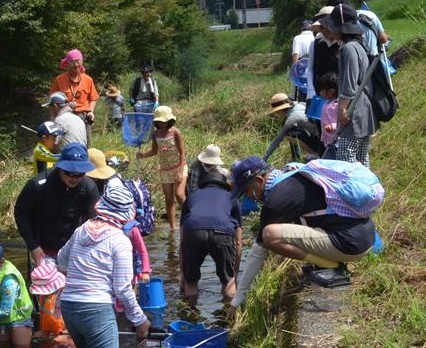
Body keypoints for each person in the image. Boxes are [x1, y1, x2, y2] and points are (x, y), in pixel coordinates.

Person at [229, 156, 377, 306]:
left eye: (247, 191)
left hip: (350, 244)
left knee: (270, 235)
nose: (249, 198)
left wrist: (238, 299)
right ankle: (328, 262)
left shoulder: (276, 199)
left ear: (260, 181)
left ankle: (330, 265)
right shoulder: (294, 172)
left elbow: (259, 250)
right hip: (365, 235)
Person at [57, 186, 151, 348]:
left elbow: (61, 261)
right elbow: (123, 289)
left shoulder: (82, 229)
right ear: (127, 214)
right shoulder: (120, 241)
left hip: (69, 305)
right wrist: (140, 319)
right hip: (96, 308)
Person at [14, 142, 99, 267]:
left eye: (80, 174)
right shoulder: (38, 185)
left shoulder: (88, 187)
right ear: (60, 167)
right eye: (69, 173)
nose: (74, 178)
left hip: (76, 251)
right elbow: (21, 214)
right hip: (42, 250)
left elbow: (94, 221)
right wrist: (33, 246)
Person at [324, 3, 376, 167]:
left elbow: (348, 85)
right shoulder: (360, 46)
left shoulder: (348, 49)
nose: (330, 31)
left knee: (347, 162)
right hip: (364, 112)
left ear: (342, 27)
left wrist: (342, 110)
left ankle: (355, 192)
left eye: (333, 27)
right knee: (361, 161)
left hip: (354, 112)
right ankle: (368, 191)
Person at [179, 170, 242, 304]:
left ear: (204, 184)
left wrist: (184, 273)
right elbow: (238, 242)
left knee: (191, 283)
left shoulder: (192, 197)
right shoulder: (232, 198)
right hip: (222, 233)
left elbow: (182, 239)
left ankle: (189, 316)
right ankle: (229, 319)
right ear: (225, 186)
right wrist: (234, 274)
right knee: (228, 284)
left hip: (193, 233)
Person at [137, 105, 186, 230]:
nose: (162, 123)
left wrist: (180, 172)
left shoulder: (175, 132)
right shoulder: (156, 134)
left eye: (164, 121)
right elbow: (154, 151)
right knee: (169, 199)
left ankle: (190, 217)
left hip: (179, 167)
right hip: (165, 170)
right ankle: (173, 227)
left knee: (179, 194)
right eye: (159, 121)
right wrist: (143, 155)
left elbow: (182, 153)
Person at [49, 49, 99, 146]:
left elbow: (93, 98)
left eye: (78, 61)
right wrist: (53, 116)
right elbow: (52, 100)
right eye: (73, 62)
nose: (76, 65)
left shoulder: (88, 80)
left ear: (81, 62)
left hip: (83, 116)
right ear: (67, 63)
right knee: (63, 144)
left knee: (85, 144)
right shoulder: (59, 79)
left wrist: (91, 111)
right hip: (65, 117)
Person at [261, 92, 320, 162]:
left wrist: (265, 157)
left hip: (320, 139)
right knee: (292, 130)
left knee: (289, 134)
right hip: (321, 136)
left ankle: (315, 154)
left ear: (281, 109)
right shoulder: (299, 105)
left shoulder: (292, 118)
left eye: (277, 111)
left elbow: (278, 139)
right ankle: (296, 157)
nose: (276, 114)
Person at [29, 258, 67, 338]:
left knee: (59, 341)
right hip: (47, 326)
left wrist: (64, 333)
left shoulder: (63, 292)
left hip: (62, 328)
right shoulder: (42, 293)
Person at [315, 72, 339, 159]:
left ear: (331, 91)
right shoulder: (326, 104)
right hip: (327, 141)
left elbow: (340, 121)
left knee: (335, 160)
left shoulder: (337, 105)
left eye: (322, 90)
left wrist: (332, 126)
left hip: (336, 140)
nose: (320, 92)